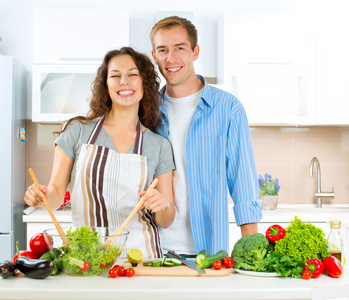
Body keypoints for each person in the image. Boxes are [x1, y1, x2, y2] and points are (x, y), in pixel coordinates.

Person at [24, 47, 175, 258]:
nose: (124, 81)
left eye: (133, 74)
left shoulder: (159, 145)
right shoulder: (76, 130)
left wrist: (163, 205)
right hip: (87, 257)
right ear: (106, 84)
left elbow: (166, 219)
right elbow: (56, 194)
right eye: (115, 75)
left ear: (145, 84)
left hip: (141, 259)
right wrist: (43, 196)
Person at [150, 16, 263, 255]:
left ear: (195, 51)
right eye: (163, 50)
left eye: (180, 48)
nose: (171, 58)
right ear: (154, 56)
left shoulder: (228, 109)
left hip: (208, 252)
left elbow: (242, 184)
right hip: (153, 250)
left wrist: (253, 256)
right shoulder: (146, 111)